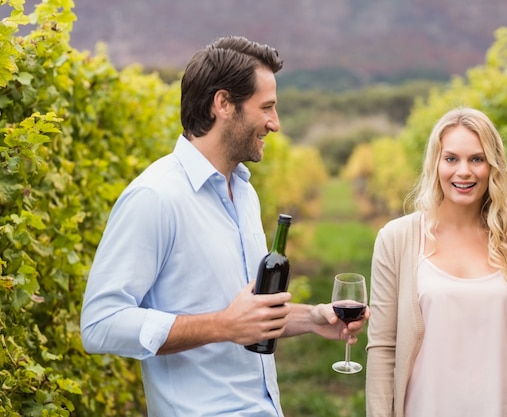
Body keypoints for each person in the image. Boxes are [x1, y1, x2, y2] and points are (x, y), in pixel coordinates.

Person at [80, 35, 368, 417]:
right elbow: (99, 325)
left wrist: (312, 319)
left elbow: (247, 315)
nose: (275, 124)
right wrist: (222, 326)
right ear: (223, 104)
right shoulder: (156, 196)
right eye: (266, 108)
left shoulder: (244, 193)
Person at [365, 107, 507, 417]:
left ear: (493, 166)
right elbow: (383, 350)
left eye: (476, 159)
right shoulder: (396, 239)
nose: (463, 171)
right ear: (435, 164)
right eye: (451, 158)